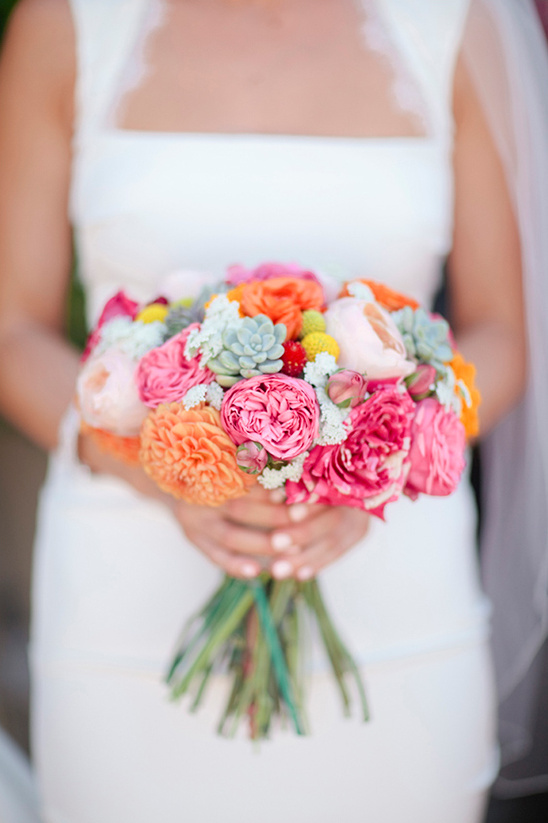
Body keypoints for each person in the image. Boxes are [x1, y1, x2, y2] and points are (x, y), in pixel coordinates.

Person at [0, 0, 544, 821]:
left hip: (394, 589)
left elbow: (504, 329)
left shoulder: (453, 24)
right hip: (127, 607)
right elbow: (11, 329)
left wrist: (380, 450)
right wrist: (155, 461)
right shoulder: (67, 21)